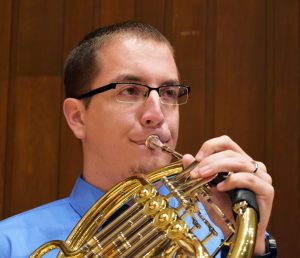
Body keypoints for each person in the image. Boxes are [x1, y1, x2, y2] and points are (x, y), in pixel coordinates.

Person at [0, 21, 275, 257]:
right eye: (130, 90)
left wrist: (255, 244)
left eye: (168, 92)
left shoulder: (225, 235)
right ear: (77, 117)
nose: (156, 114)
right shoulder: (9, 244)